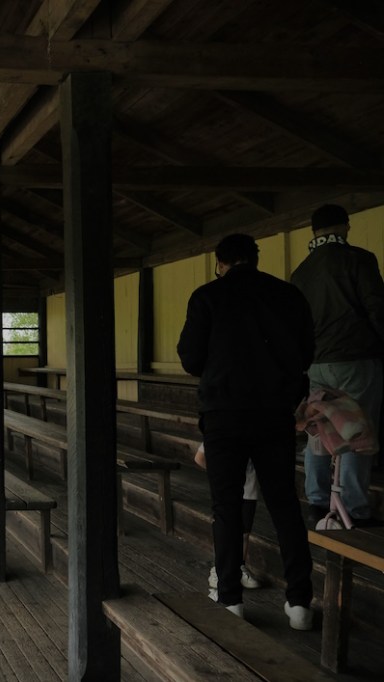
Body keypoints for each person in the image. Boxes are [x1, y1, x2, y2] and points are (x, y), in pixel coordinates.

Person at [177, 233, 315, 629]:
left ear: (220, 263)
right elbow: (306, 353)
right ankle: (300, 603)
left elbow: (190, 359)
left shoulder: (207, 296)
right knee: (284, 505)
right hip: (274, 414)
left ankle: (230, 598)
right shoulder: (288, 295)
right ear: (254, 259)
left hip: (224, 414)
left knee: (226, 506)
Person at [290, 204, 384, 527]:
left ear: (314, 231)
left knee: (319, 429)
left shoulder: (301, 272)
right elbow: (377, 308)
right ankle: (353, 508)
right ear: (345, 226)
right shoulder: (359, 260)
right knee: (357, 431)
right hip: (356, 359)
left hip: (317, 363)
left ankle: (317, 501)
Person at [195, 445, 261, 591]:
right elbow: (199, 458)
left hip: (249, 489)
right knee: (225, 530)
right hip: (226, 489)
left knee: (244, 532)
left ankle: (240, 566)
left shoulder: (256, 434)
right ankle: (218, 568)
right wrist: (220, 474)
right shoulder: (220, 432)